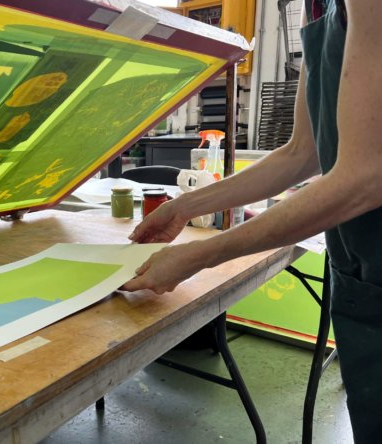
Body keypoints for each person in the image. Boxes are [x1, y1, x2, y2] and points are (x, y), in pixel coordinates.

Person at [122, 0, 382, 442]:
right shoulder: (319, 12)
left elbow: (365, 176)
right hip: (363, 271)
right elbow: (301, 152)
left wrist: (200, 255)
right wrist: (183, 207)